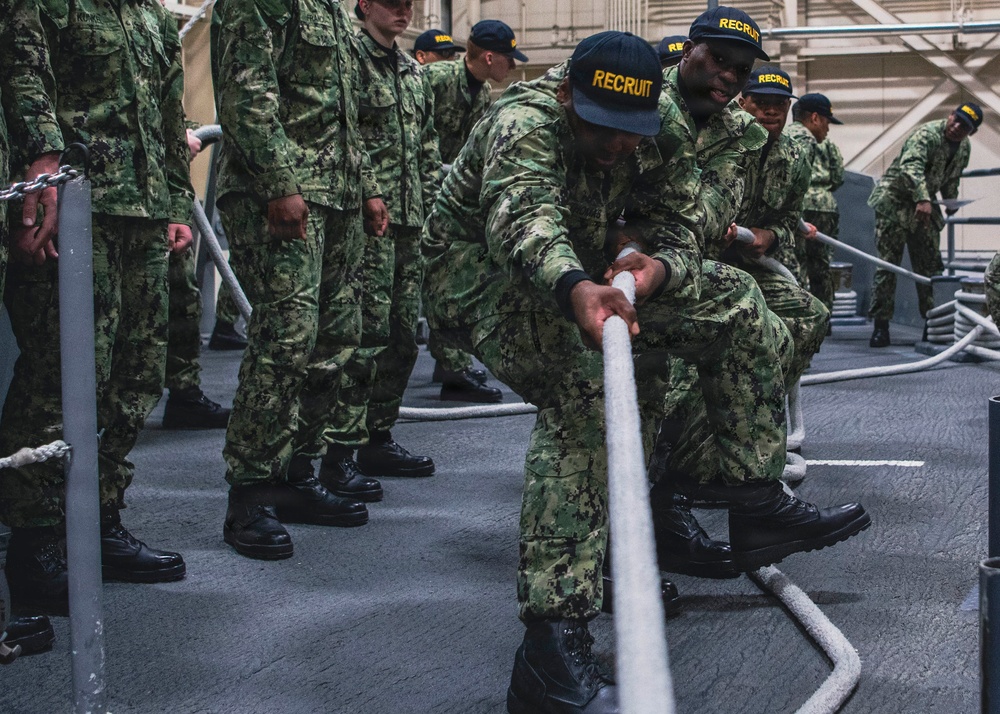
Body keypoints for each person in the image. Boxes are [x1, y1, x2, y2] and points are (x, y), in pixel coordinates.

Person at [422, 28, 868, 712]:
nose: (619, 147)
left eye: (631, 133)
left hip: (595, 269)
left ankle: (751, 501)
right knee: (589, 388)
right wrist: (576, 284)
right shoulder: (522, 117)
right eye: (604, 129)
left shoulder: (653, 123)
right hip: (481, 276)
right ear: (568, 94)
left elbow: (682, 224)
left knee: (739, 300)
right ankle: (548, 644)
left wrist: (657, 266)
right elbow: (523, 220)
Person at [0, 0, 195, 616]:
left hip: (138, 210)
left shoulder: (147, 15)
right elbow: (24, 71)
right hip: (74, 209)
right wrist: (44, 166)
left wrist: (174, 203)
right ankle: (35, 544)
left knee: (135, 376)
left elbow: (167, 112)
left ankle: (98, 522)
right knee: (59, 374)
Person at [212, 0, 389, 559]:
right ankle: (251, 493)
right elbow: (248, 94)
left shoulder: (332, 10)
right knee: (284, 341)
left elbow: (343, 114)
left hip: (335, 197)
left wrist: (366, 187)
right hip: (283, 197)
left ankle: (296, 473)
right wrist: (277, 183)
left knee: (335, 338)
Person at [317, 0, 440, 494]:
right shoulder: (347, 57)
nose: (403, 12)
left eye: (409, 5)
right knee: (360, 337)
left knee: (402, 336)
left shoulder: (412, 72)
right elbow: (344, 134)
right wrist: (369, 191)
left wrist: (433, 204)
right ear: (364, 4)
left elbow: (427, 145)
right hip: (367, 220)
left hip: (410, 221)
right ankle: (338, 448)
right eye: (392, 3)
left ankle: (377, 434)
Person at [421, 19, 528, 403]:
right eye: (509, 59)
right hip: (413, 191)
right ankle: (447, 363)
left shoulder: (481, 93)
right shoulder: (432, 79)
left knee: (449, 273)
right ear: (488, 56)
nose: (513, 67)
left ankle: (450, 362)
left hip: (446, 197)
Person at [867, 102, 982, 348]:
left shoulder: (963, 148)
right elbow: (911, 167)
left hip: (924, 210)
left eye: (965, 126)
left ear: (970, 132)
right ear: (951, 115)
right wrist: (922, 197)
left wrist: (951, 200)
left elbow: (951, 177)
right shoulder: (927, 134)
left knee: (930, 268)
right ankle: (880, 327)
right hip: (895, 204)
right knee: (888, 266)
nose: (957, 126)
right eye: (957, 119)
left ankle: (933, 326)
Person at [161, 128, 232, 430]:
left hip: (159, 188)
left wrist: (181, 132)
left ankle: (184, 394)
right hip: (110, 191)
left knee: (183, 298)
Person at [785, 93, 844, 311]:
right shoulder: (811, 141)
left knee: (795, 260)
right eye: (827, 122)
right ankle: (820, 315)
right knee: (820, 264)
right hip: (821, 206)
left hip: (796, 209)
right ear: (815, 118)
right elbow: (838, 177)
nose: (828, 129)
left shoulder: (781, 136)